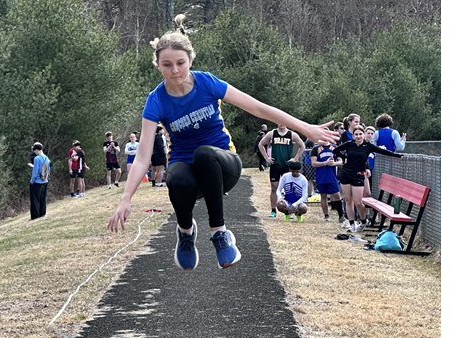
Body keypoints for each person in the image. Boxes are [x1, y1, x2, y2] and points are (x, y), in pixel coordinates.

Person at [108, 14, 337, 271]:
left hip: (222, 164)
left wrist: (306, 128)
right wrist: (126, 197)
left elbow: (259, 108)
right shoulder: (156, 100)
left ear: (190, 60)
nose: (175, 71)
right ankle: (185, 232)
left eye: (180, 63)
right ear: (158, 65)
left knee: (204, 154)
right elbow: (142, 155)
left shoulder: (207, 82)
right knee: (176, 175)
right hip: (186, 170)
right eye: (167, 64)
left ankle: (220, 232)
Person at [333, 125, 402, 232]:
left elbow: (382, 151)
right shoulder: (349, 144)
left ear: (364, 135)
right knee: (348, 200)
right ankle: (351, 223)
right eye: (356, 134)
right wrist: (344, 158)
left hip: (358, 174)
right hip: (346, 173)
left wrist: (398, 156)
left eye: (360, 134)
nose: (358, 136)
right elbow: (336, 150)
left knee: (358, 202)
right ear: (353, 136)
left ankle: (363, 220)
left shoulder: (368, 146)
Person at [258, 123, 304, 218]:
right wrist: (267, 158)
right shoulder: (272, 133)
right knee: (274, 188)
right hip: (275, 165)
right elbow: (261, 144)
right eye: (279, 122)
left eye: (283, 122)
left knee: (289, 189)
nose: (281, 124)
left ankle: (290, 209)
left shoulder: (292, 134)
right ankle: (273, 210)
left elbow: (302, 146)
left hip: (287, 165)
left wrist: (295, 158)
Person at [310, 138, 342, 222]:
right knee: (323, 196)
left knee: (337, 195)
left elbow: (340, 161)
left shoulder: (334, 148)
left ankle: (341, 215)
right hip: (321, 176)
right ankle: (326, 215)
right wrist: (325, 163)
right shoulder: (316, 148)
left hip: (332, 176)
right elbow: (313, 163)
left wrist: (334, 163)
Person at [29, 142, 50, 220]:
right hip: (45, 180)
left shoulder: (37, 158)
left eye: (34, 150)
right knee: (42, 198)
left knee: (35, 199)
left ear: (37, 150)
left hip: (37, 181)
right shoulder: (46, 157)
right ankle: (42, 213)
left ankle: (35, 215)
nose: (34, 152)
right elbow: (48, 169)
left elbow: (35, 171)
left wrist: (32, 180)